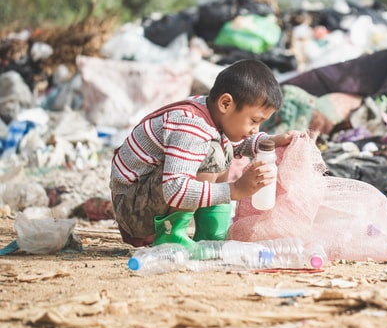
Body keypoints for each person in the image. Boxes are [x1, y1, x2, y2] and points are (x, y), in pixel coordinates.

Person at [110, 59, 295, 252]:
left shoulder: (210, 112)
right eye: (254, 121)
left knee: (223, 147)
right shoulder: (192, 126)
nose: (255, 130)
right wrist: (234, 190)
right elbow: (175, 189)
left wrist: (272, 141)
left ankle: (211, 236)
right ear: (225, 103)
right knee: (213, 154)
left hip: (146, 201)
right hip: (133, 210)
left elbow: (238, 143)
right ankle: (171, 237)